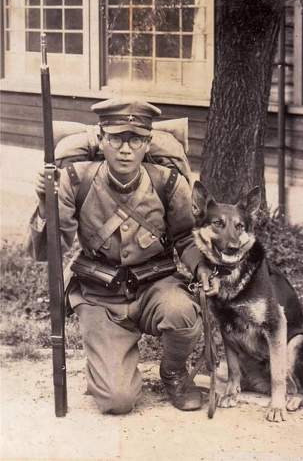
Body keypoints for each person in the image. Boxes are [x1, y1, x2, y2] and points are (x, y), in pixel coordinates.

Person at [27, 99, 219, 415]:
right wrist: (46, 202)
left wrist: (202, 268)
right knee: (117, 400)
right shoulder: (76, 179)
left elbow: (185, 236)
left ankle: (172, 373)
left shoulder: (168, 181)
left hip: (155, 286)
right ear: (102, 140)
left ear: (148, 142)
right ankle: (107, 366)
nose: (126, 149)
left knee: (182, 312)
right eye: (116, 138)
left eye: (136, 139)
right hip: (100, 295)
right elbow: (49, 249)